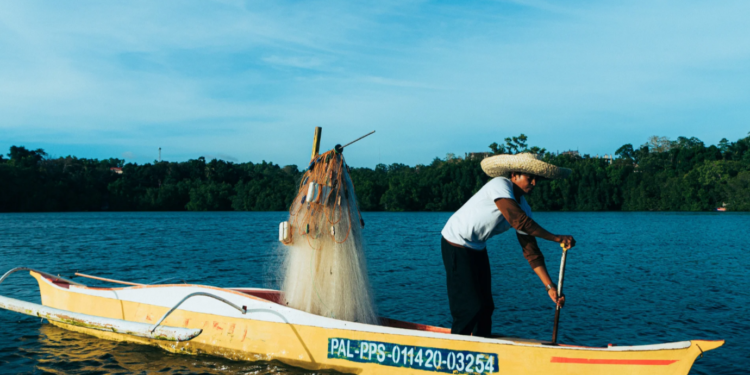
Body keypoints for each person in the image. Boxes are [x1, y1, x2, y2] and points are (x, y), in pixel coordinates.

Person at [440, 152, 576, 337]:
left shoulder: (524, 208)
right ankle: (456, 350)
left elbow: (531, 252)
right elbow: (518, 221)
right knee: (470, 306)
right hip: (455, 242)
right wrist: (556, 238)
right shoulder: (500, 184)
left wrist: (550, 287)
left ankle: (483, 348)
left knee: (486, 307)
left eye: (537, 179)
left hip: (477, 248)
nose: (534, 183)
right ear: (514, 175)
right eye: (530, 178)